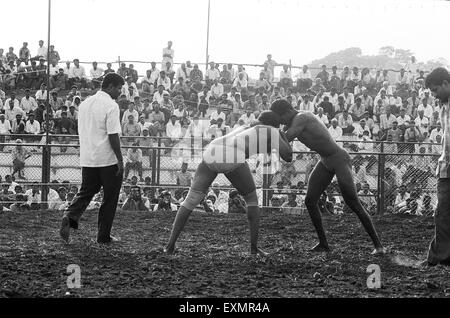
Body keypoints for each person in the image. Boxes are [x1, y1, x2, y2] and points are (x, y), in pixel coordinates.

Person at [164, 112, 293, 255]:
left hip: (211, 150)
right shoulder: (271, 130)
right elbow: (288, 155)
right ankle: (254, 248)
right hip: (232, 153)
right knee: (251, 200)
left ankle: (170, 245)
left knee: (191, 199)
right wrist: (282, 135)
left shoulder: (246, 126)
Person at [268, 100, 385, 254]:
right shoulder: (289, 123)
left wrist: (268, 132)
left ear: (287, 111)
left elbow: (286, 139)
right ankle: (323, 243)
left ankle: (379, 246)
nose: (281, 122)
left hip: (339, 158)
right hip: (324, 160)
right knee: (310, 201)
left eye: (280, 118)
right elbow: (286, 154)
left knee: (353, 202)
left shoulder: (302, 117)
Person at [59, 73, 125, 244]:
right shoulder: (111, 105)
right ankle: (103, 236)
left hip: (88, 158)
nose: (119, 92)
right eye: (118, 88)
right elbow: (113, 135)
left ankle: (70, 214)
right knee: (110, 198)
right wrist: (120, 159)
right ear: (110, 86)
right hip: (108, 159)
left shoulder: (85, 104)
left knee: (86, 191)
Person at [422, 67, 450, 266]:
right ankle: (439, 257)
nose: (433, 94)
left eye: (435, 89)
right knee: (442, 212)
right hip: (446, 165)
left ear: (446, 83)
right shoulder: (442, 106)